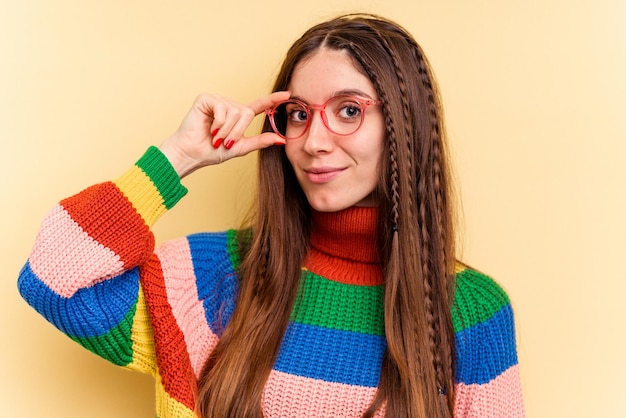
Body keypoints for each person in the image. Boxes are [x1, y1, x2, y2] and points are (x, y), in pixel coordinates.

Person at [18, 13, 524, 418]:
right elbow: (53, 277)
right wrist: (179, 157)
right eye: (299, 113)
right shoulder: (212, 277)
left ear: (403, 126)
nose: (314, 142)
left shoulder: (472, 312)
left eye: (349, 110)